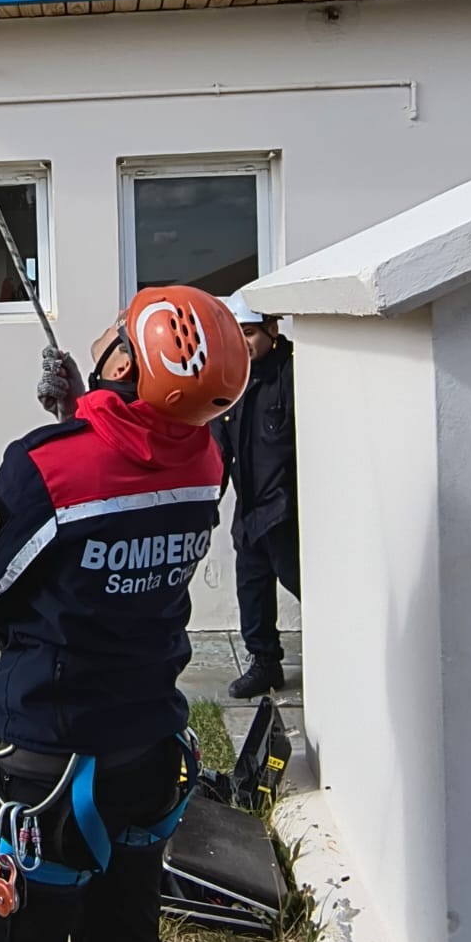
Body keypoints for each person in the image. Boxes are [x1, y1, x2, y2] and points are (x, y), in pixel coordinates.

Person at [0, 287, 249, 942]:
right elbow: (143, 462)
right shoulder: (205, 465)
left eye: (117, 335)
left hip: (44, 775)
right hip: (141, 763)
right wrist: (90, 410)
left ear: (124, 359)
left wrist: (65, 428)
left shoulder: (45, 467)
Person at [211, 291, 300, 700]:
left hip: (288, 510)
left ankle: (344, 652)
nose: (242, 342)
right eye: (236, 333)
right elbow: (217, 450)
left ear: (272, 329)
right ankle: (265, 662)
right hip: (250, 511)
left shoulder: (294, 371)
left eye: (248, 332)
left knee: (304, 584)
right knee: (252, 588)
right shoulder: (231, 378)